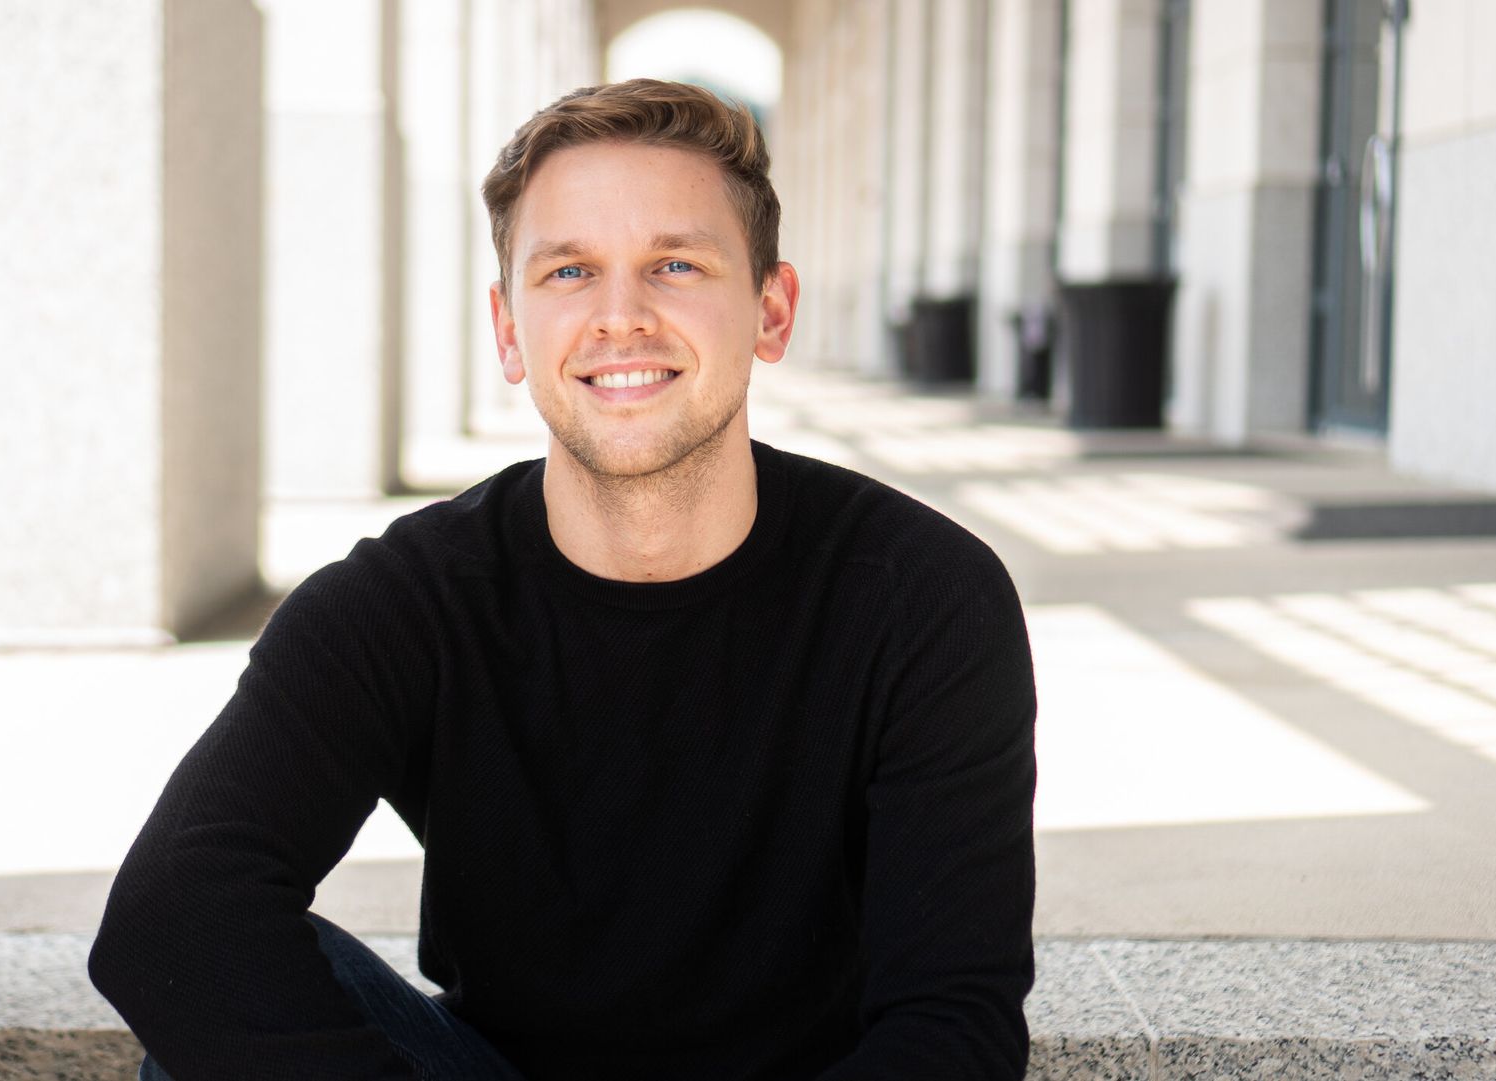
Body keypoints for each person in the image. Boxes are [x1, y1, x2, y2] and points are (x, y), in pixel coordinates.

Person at [88, 78, 1038, 1080]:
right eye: (570, 272)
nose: (619, 318)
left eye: (675, 263)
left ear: (771, 308)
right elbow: (170, 917)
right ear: (509, 329)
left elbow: (952, 1030)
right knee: (218, 1005)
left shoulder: (923, 599)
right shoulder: (407, 599)